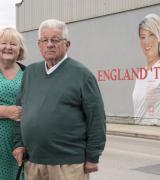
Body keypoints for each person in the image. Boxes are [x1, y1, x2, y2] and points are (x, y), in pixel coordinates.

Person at [13, 19, 106, 180]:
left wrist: (93, 156)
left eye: (55, 40)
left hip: (68, 164)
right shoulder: (30, 73)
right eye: (45, 40)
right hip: (34, 162)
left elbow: (96, 118)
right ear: (39, 45)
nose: (49, 44)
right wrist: (19, 144)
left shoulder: (82, 75)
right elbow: (19, 112)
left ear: (67, 44)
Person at [0, 27, 26, 180]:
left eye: (13, 44)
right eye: (3, 43)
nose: (8, 47)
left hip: (21, 140)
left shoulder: (29, 73)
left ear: (20, 49)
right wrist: (5, 111)